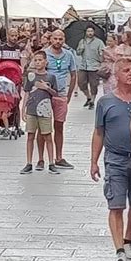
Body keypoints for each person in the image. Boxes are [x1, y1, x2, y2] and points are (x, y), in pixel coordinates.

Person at [91, 57, 131, 261]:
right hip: (115, 159)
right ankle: (119, 250)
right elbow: (98, 132)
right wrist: (93, 161)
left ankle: (128, 239)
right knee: (116, 205)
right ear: (117, 75)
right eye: (126, 71)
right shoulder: (106, 102)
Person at [21, 50, 59, 175]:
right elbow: (26, 92)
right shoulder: (30, 76)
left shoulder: (50, 77)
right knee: (30, 135)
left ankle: (51, 163)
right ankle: (29, 162)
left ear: (45, 61)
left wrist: (46, 88)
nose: (38, 62)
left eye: (40, 60)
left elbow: (55, 93)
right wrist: (23, 108)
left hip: (45, 109)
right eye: (36, 60)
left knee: (47, 136)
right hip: (32, 108)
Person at [45, 30, 77, 169]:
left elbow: (74, 74)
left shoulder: (69, 55)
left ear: (64, 40)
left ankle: (59, 157)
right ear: (51, 39)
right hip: (45, 93)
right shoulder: (44, 54)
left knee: (59, 125)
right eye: (55, 38)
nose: (58, 41)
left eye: (60, 39)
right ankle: (42, 158)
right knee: (44, 126)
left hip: (61, 93)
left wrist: (69, 95)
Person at [76, 25, 105, 110]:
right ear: (86, 32)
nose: (90, 33)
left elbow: (103, 52)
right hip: (83, 65)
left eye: (91, 31)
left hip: (94, 66)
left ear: (94, 32)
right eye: (88, 31)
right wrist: (80, 49)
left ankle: (92, 100)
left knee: (94, 84)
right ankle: (88, 96)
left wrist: (101, 55)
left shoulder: (99, 42)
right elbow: (78, 53)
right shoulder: (82, 41)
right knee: (81, 83)